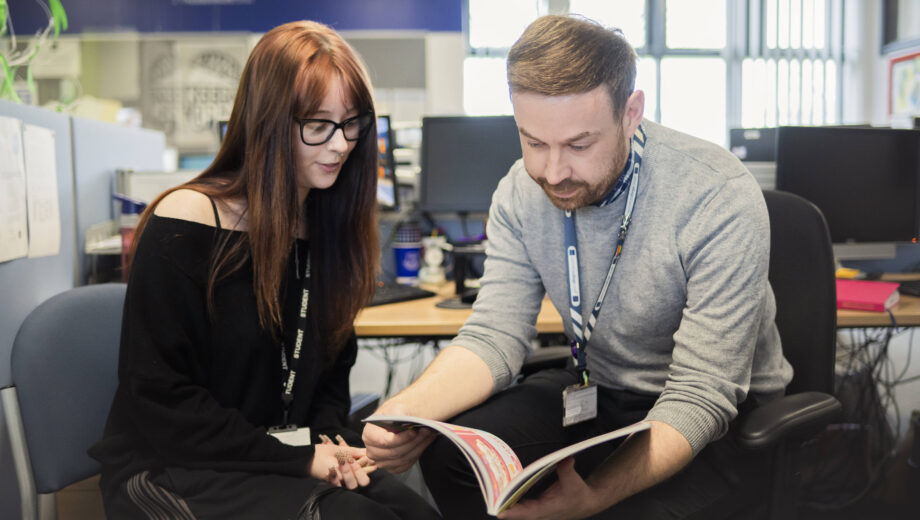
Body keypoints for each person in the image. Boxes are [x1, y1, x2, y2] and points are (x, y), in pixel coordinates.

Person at [363, 14, 793, 520]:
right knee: (454, 458)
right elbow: (493, 335)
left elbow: (701, 393)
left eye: (579, 145)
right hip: (599, 388)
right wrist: (406, 412)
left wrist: (593, 498)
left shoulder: (716, 196)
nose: (553, 172)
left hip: (716, 413)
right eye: (534, 142)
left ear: (631, 113)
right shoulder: (521, 191)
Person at [89, 21, 440, 520]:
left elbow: (327, 384)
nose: (341, 145)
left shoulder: (323, 224)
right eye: (318, 125)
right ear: (269, 122)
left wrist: (329, 445)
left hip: (272, 461)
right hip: (171, 467)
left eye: (352, 123)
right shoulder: (186, 221)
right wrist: (299, 459)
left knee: (415, 513)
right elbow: (161, 402)